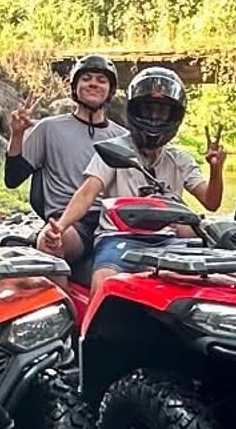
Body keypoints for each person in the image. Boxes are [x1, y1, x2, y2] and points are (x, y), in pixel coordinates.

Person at [42, 68, 226, 292]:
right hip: (118, 238)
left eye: (161, 112)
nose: (154, 118)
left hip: (167, 240)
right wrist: (60, 226)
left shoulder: (179, 159)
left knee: (210, 285)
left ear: (174, 116)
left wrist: (216, 169)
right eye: (148, 110)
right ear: (135, 110)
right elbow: (87, 193)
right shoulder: (114, 150)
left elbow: (211, 202)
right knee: (104, 281)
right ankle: (91, 328)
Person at [6, 54, 127, 262]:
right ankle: (59, 295)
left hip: (112, 221)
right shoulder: (49, 128)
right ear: (74, 87)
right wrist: (17, 135)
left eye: (101, 80)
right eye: (87, 78)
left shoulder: (122, 138)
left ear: (110, 91)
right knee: (51, 242)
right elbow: (13, 178)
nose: (93, 84)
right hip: (66, 222)